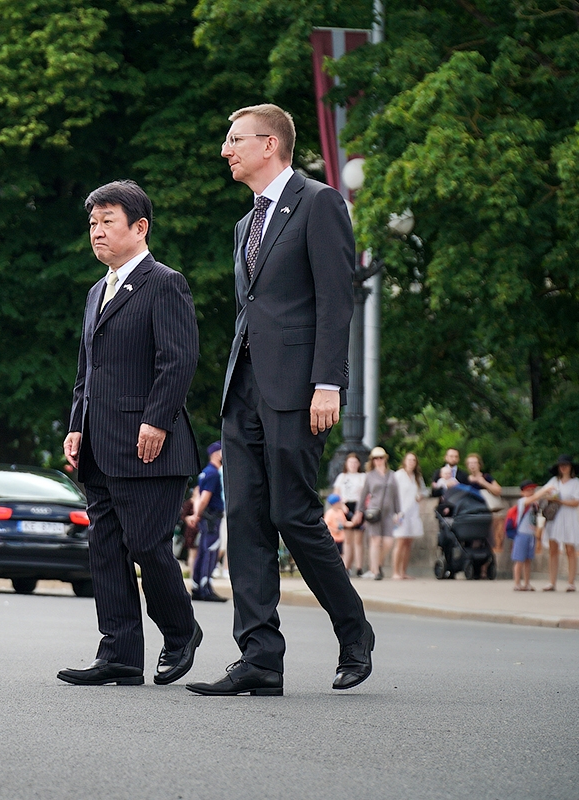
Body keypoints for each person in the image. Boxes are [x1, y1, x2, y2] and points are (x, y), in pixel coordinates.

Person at [187, 103, 371, 697]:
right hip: (244, 388)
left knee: (292, 514)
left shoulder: (318, 202)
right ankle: (260, 658)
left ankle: (354, 631)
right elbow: (252, 311)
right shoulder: (246, 224)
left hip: (298, 389)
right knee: (243, 520)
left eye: (235, 139)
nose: (225, 150)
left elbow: (334, 298)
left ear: (271, 144)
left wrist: (328, 382)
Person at [59, 180, 203, 688]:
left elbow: (178, 358)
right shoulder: (98, 289)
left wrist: (157, 419)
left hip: (150, 445)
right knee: (105, 549)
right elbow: (87, 370)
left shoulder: (165, 282)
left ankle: (182, 631)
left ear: (139, 228)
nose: (97, 232)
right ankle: (119, 654)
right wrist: (75, 426)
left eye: (108, 222)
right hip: (99, 444)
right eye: (92, 224)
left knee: (146, 544)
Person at [531, 455, 579, 592]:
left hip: (568, 516)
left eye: (566, 465)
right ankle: (552, 582)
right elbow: (543, 493)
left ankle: (571, 582)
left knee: (570, 549)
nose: (563, 467)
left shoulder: (575, 482)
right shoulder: (554, 481)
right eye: (561, 465)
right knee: (553, 550)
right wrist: (550, 497)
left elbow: (576, 502)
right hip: (554, 517)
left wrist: (561, 501)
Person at [187, 443, 227, 603]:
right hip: (212, 517)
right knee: (210, 551)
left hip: (206, 516)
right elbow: (205, 497)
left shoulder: (205, 473)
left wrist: (196, 514)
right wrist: (197, 514)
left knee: (204, 550)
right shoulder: (213, 474)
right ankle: (205, 588)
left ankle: (197, 587)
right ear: (216, 454)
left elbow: (198, 496)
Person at [360, 447, 401, 581]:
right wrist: (359, 512)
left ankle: (377, 564)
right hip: (374, 511)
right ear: (372, 460)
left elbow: (396, 495)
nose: (378, 460)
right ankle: (375, 571)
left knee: (388, 542)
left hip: (388, 512)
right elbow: (363, 495)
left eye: (381, 458)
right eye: (375, 458)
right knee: (375, 540)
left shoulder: (392, 475)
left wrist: (398, 511)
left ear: (385, 459)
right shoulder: (370, 475)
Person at [391, 452, 425, 580]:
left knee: (408, 542)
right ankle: (395, 571)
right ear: (404, 461)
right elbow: (392, 493)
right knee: (400, 541)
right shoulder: (398, 475)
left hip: (413, 512)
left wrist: (420, 496)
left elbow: (422, 492)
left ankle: (403, 571)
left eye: (414, 460)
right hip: (400, 512)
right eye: (409, 460)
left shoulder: (417, 477)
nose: (411, 463)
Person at [332, 453, 366, 575]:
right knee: (347, 539)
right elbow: (336, 494)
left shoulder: (362, 477)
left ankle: (359, 567)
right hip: (345, 506)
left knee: (358, 539)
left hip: (358, 506)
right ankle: (346, 566)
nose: (352, 465)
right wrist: (342, 506)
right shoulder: (342, 477)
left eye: (355, 462)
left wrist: (360, 511)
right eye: (350, 462)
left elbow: (365, 494)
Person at [510, 480, 539, 591]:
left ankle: (527, 583)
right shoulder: (522, 502)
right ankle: (517, 583)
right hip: (521, 534)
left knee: (528, 560)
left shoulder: (535, 504)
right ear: (522, 492)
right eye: (528, 490)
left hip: (531, 534)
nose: (531, 492)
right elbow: (529, 501)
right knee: (519, 560)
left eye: (533, 490)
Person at [323, 494, 349, 558]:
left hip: (341, 538)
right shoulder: (329, 513)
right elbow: (326, 525)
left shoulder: (340, 512)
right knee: (334, 555)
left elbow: (344, 523)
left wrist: (353, 523)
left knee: (341, 554)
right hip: (333, 538)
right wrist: (334, 530)